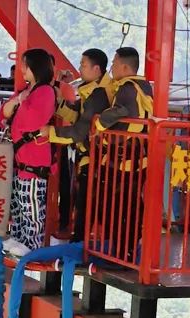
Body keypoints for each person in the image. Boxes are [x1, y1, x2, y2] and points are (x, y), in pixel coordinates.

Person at [40, 48, 114, 242]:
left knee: (88, 202)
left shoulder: (98, 94)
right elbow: (79, 117)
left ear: (96, 69)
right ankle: (82, 241)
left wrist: (51, 133)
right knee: (88, 202)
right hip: (95, 156)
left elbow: (80, 131)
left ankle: (80, 243)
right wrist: (59, 105)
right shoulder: (93, 90)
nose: (80, 68)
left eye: (83, 64)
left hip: (98, 158)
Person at [94, 46, 153, 262]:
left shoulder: (127, 87)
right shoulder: (145, 86)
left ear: (125, 66)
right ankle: (127, 246)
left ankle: (120, 247)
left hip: (126, 156)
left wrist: (100, 122)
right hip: (140, 153)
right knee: (132, 201)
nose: (112, 67)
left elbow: (120, 111)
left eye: (115, 63)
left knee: (117, 202)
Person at [0, 48, 57, 257]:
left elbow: (30, 121)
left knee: (31, 205)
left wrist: (18, 104)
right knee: (18, 204)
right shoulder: (28, 91)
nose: (22, 69)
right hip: (21, 160)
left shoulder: (45, 92)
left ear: (35, 67)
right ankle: (18, 238)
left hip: (35, 161)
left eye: (25, 65)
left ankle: (32, 244)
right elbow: (3, 113)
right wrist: (18, 102)